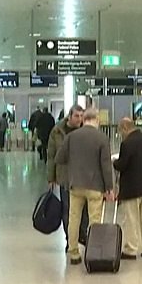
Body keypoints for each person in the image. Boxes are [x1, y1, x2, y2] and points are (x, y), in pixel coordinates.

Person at [55, 106, 115, 265]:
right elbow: (106, 166)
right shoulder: (102, 138)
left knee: (74, 218)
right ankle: (93, 252)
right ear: (96, 120)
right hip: (95, 186)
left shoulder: (72, 137)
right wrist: (110, 188)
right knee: (94, 220)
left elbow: (59, 158)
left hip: (75, 185)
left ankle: (73, 252)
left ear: (84, 119)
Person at [114, 117, 142, 260]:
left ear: (125, 128)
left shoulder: (127, 143)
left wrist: (114, 162)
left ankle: (131, 249)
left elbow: (122, 165)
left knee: (131, 219)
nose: (121, 134)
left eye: (121, 131)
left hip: (131, 186)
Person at [47, 105, 85, 255]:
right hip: (65, 177)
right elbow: (51, 155)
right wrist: (51, 177)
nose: (80, 119)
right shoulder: (57, 132)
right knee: (67, 209)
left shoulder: (85, 131)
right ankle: (70, 239)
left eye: (82, 116)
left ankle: (82, 235)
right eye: (77, 116)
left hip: (83, 177)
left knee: (85, 211)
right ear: (69, 116)